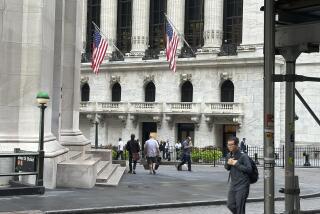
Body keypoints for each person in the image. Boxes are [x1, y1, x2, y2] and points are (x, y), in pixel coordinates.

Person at [225, 136, 252, 214]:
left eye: (231, 145)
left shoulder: (244, 156)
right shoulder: (228, 155)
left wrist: (236, 163)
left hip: (243, 185)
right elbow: (227, 168)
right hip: (233, 184)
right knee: (230, 205)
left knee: (239, 207)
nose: (229, 146)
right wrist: (228, 163)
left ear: (236, 145)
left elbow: (249, 169)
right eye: (228, 145)